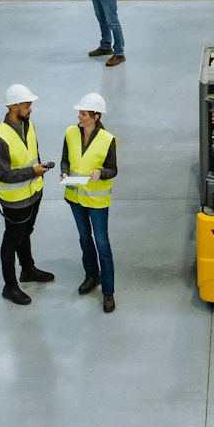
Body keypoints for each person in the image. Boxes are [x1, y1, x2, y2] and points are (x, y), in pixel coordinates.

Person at [0, 84, 55, 305]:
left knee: (26, 233)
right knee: (11, 242)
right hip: (15, 201)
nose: (31, 109)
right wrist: (33, 172)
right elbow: (2, 174)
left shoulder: (28, 124)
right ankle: (9, 286)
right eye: (27, 105)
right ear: (13, 106)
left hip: (34, 193)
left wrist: (39, 171)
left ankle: (28, 269)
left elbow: (33, 153)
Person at [62, 91, 119, 314]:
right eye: (79, 113)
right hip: (75, 198)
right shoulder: (70, 133)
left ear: (95, 117)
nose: (79, 116)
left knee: (102, 244)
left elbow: (113, 169)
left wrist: (101, 173)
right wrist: (64, 172)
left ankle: (108, 291)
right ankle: (91, 276)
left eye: (83, 114)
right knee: (85, 239)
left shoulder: (107, 139)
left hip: (97, 201)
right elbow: (65, 160)